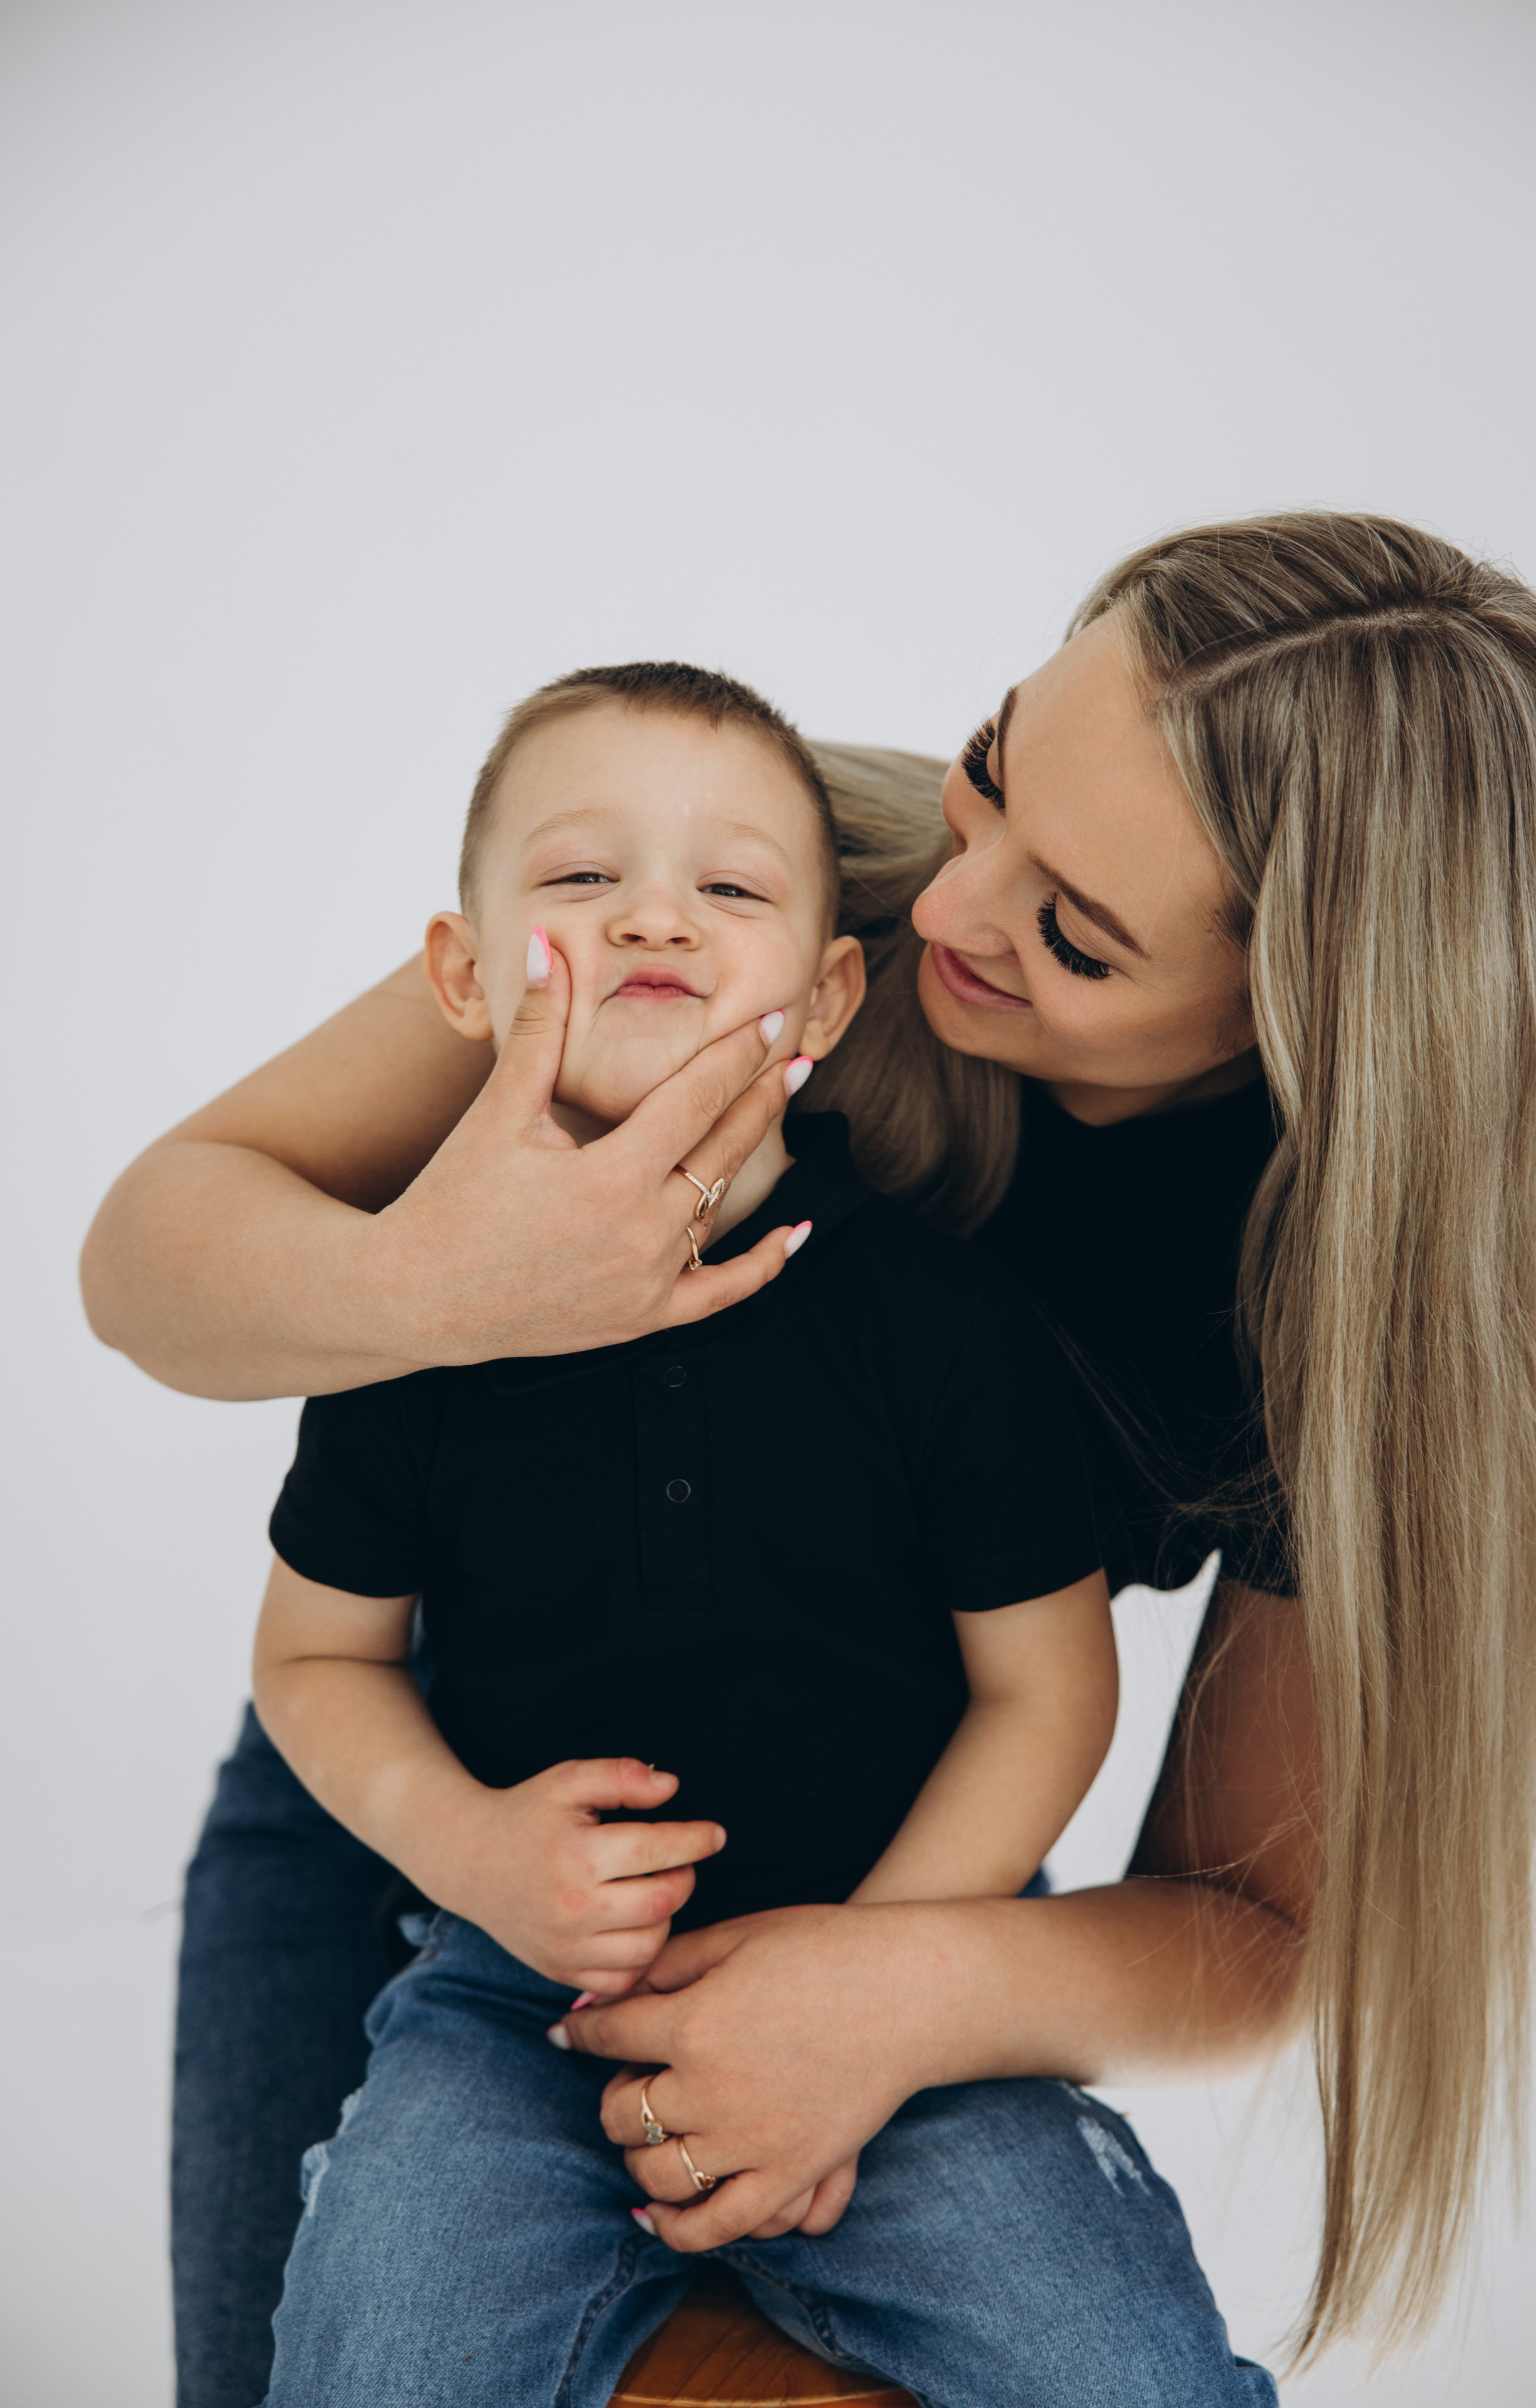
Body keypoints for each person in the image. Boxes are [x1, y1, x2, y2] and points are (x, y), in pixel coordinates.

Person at [80, 514, 1536, 2405]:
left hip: (911, 1889)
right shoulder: (745, 899)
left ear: (1309, 1020)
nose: (947, 917)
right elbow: (145, 1268)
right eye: (994, 774)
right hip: (409, 1828)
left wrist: (884, 1992)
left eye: (1077, 934)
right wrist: (432, 1281)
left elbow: (1257, 1922)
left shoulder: (1358, 1325)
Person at [251, 657, 1131, 2403]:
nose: (655, 914)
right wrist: (473, 1850)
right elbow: (314, 1653)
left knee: (1122, 2367)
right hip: (517, 2012)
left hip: (910, 1971)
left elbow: (1052, 1696)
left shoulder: (939, 1327)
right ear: (460, 970)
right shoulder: (419, 1325)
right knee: (377, 2361)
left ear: (826, 988)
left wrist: (871, 1993)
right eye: (583, 880)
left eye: (726, 887)